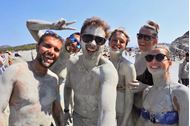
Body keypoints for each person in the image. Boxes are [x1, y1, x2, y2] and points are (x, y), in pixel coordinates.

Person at [0, 30, 65, 126]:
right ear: (37, 47)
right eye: (47, 46)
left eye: (56, 50)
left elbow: (57, 111)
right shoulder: (15, 71)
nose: (51, 51)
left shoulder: (54, 79)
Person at [64, 17, 118, 126]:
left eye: (99, 40)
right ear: (80, 39)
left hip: (97, 120)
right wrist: (66, 109)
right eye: (87, 37)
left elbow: (107, 112)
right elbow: (68, 86)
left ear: (104, 44)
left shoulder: (107, 70)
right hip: (77, 118)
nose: (93, 44)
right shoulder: (72, 63)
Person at [136, 45, 189, 126]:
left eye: (159, 57)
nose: (153, 61)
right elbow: (141, 121)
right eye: (149, 57)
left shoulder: (180, 93)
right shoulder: (147, 91)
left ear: (170, 62)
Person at [108, 28, 138, 126]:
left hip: (121, 115)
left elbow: (130, 98)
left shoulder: (128, 66)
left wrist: (124, 121)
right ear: (109, 41)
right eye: (114, 40)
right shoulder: (103, 63)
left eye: (121, 41)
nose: (117, 43)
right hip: (105, 114)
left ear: (125, 46)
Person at [132, 20, 160, 124]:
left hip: (149, 115)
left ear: (155, 40)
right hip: (134, 109)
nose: (141, 40)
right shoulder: (138, 56)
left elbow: (163, 87)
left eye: (147, 37)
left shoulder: (158, 59)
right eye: (139, 36)